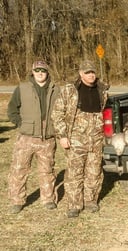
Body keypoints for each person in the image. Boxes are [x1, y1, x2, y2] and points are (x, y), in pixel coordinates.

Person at [51, 60, 109, 218]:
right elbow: (57, 114)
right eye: (87, 72)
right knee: (74, 172)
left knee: (94, 171)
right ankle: (74, 205)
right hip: (76, 138)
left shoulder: (102, 89)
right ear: (81, 73)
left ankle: (91, 201)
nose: (91, 75)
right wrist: (62, 136)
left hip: (96, 138)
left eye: (93, 72)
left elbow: (104, 112)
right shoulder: (70, 90)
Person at [7, 60, 60, 214]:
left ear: (47, 72)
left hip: (47, 138)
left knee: (47, 170)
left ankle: (48, 199)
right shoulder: (22, 88)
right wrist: (21, 124)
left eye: (43, 70)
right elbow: (12, 110)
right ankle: (17, 201)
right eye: (37, 70)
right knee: (19, 169)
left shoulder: (56, 90)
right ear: (32, 72)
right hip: (26, 137)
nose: (40, 73)